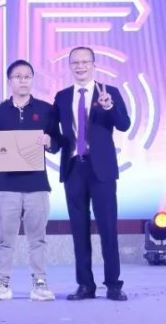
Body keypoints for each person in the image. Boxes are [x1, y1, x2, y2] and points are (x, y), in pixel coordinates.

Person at [50, 46, 131, 301]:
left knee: (108, 227)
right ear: (69, 66)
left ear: (94, 64)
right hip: (74, 168)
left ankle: (114, 285)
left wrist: (109, 108)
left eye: (85, 62)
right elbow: (55, 135)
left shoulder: (109, 92)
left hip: (102, 170)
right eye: (75, 62)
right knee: (79, 229)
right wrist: (47, 143)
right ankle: (85, 285)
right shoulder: (62, 97)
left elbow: (124, 124)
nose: (80, 66)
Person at [0, 59, 59, 302]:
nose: (23, 80)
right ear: (9, 81)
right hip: (7, 187)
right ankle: (1, 283)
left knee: (38, 239)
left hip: (37, 186)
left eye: (27, 76)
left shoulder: (46, 110)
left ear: (32, 80)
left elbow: (57, 143)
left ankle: (40, 283)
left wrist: (49, 141)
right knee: (5, 240)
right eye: (18, 76)